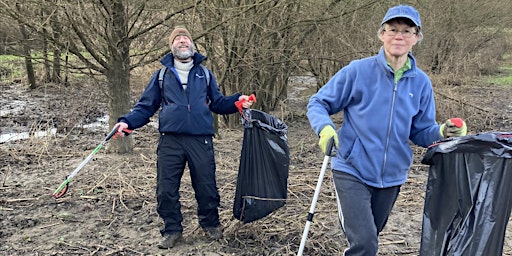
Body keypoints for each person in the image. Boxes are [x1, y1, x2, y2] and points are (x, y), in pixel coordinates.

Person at [306, 5, 467, 255]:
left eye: (406, 31)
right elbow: (318, 102)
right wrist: (325, 128)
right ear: (382, 34)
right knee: (365, 244)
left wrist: (443, 131)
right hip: (352, 168)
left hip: (392, 176)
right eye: (392, 30)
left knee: (373, 234)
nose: (398, 36)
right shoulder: (358, 71)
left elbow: (421, 131)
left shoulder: (421, 83)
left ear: (416, 37)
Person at [114, 26, 254, 249]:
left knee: (206, 186)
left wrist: (237, 101)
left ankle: (210, 224)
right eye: (178, 38)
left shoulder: (205, 75)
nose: (182, 41)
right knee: (165, 188)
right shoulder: (161, 76)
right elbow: (145, 107)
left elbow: (217, 103)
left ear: (192, 45)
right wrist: (127, 122)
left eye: (185, 38)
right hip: (170, 140)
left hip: (201, 139)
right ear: (172, 46)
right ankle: (172, 230)